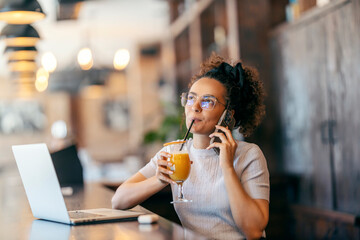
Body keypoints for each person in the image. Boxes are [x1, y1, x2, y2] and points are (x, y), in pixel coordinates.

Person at [112, 53, 269, 240]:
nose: (195, 107)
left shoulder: (249, 155)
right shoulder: (174, 153)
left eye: (207, 101)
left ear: (228, 114)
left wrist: (227, 167)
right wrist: (160, 180)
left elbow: (253, 231)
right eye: (191, 98)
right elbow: (118, 200)